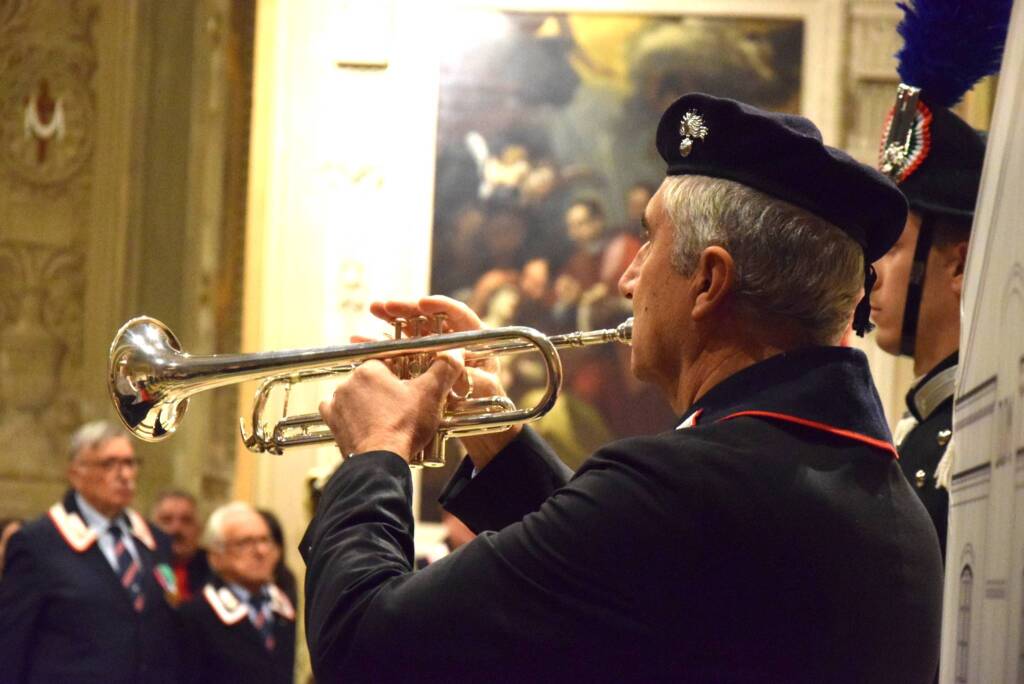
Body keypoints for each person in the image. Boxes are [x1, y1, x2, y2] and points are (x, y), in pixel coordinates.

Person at [303, 93, 943, 683]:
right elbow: (624, 566)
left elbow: (365, 647)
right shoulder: (868, 486)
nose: (628, 279)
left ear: (709, 281)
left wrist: (376, 450)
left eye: (648, 240)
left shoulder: (688, 486)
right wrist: (493, 429)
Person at [870, 0, 1010, 561]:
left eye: (892, 245)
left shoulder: (978, 435)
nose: (871, 270)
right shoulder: (924, 424)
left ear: (960, 264)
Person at [0, 420, 182, 683]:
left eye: (130, 463)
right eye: (109, 464)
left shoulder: (154, 540)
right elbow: (10, 645)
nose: (125, 475)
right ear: (76, 473)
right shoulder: (37, 544)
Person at [179, 502, 296, 684]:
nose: (261, 551)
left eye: (265, 540)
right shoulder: (194, 615)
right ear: (215, 556)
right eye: (245, 542)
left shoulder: (282, 608)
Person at [152, 489, 210, 601]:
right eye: (166, 520)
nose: (176, 529)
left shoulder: (213, 570)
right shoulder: (138, 568)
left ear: (199, 529)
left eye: (186, 521)